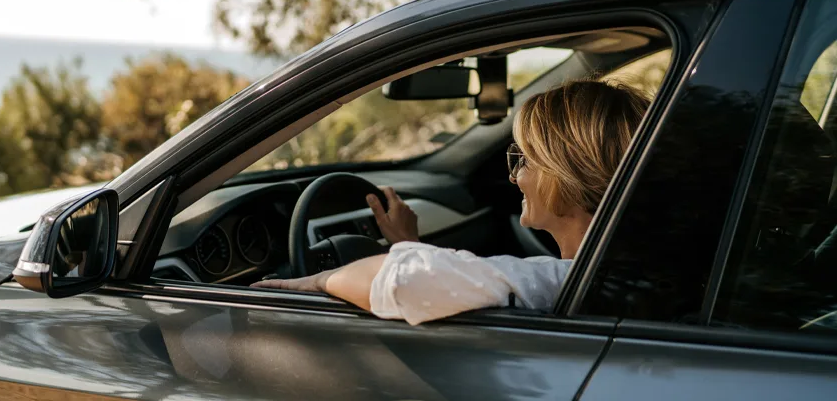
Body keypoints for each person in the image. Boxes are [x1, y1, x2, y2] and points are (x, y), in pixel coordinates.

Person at [252, 80, 651, 325]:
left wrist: (314, 281)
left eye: (526, 160)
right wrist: (406, 244)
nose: (516, 176)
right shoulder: (631, 272)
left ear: (567, 174)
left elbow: (408, 280)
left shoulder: (559, 281)